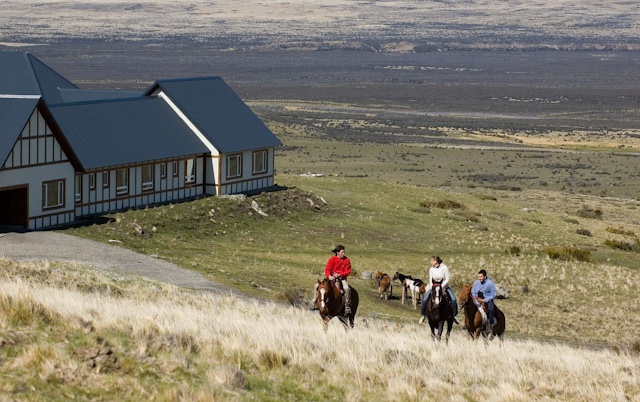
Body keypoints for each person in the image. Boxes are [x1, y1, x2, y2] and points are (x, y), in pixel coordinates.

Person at [419, 256, 459, 325]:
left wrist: (441, 286)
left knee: (453, 299)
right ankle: (423, 315)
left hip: (444, 287)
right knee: (425, 299)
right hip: (434, 287)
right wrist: (433, 287)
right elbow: (430, 279)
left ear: (435, 261)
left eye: (431, 261)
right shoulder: (431, 269)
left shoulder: (444, 268)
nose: (430, 262)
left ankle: (454, 316)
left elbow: (447, 279)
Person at [324, 244, 352, 315]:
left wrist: (340, 274)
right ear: (337, 252)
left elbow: (348, 271)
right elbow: (327, 269)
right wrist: (329, 276)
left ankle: (347, 306)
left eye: (344, 252)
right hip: (331, 278)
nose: (343, 253)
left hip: (341, 279)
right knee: (317, 286)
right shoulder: (332, 259)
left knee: (347, 289)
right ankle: (315, 302)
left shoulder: (347, 260)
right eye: (342, 252)